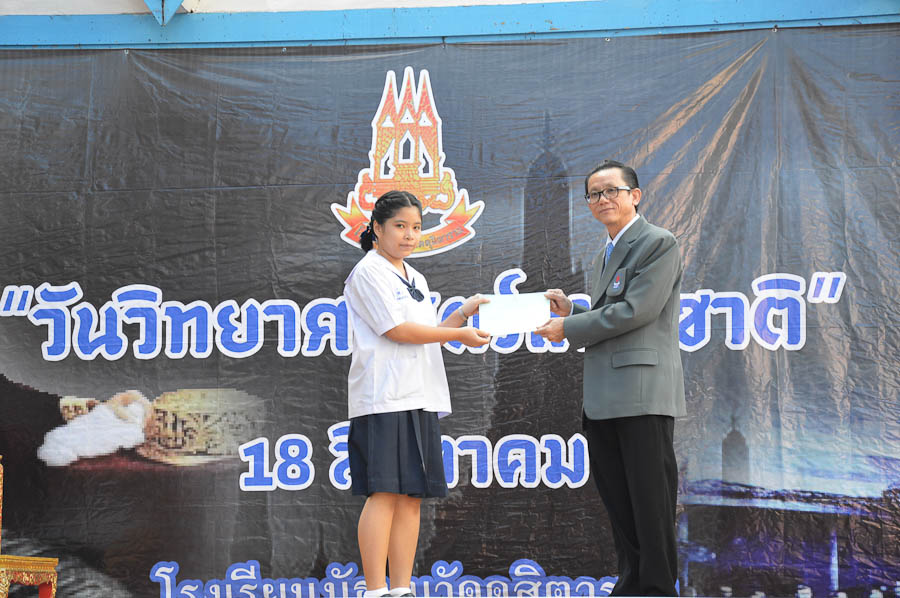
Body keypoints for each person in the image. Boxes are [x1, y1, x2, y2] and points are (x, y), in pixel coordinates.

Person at [535, 160, 685, 596]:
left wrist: (569, 327)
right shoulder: (606, 251)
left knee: (651, 507)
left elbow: (637, 310)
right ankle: (632, 586)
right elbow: (609, 312)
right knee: (622, 507)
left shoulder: (657, 242)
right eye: (594, 194)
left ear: (634, 195)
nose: (603, 199)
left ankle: (657, 590)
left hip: (641, 395)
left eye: (611, 191)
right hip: (604, 400)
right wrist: (573, 311)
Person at [343, 190, 491, 598]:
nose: (409, 235)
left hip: (420, 396)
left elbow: (429, 334)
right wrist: (458, 334)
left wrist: (463, 313)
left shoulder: (416, 278)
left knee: (411, 497)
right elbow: (397, 331)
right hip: (384, 397)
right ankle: (375, 589)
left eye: (416, 228)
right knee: (384, 492)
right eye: (400, 226)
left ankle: (401, 588)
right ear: (377, 228)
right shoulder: (368, 272)